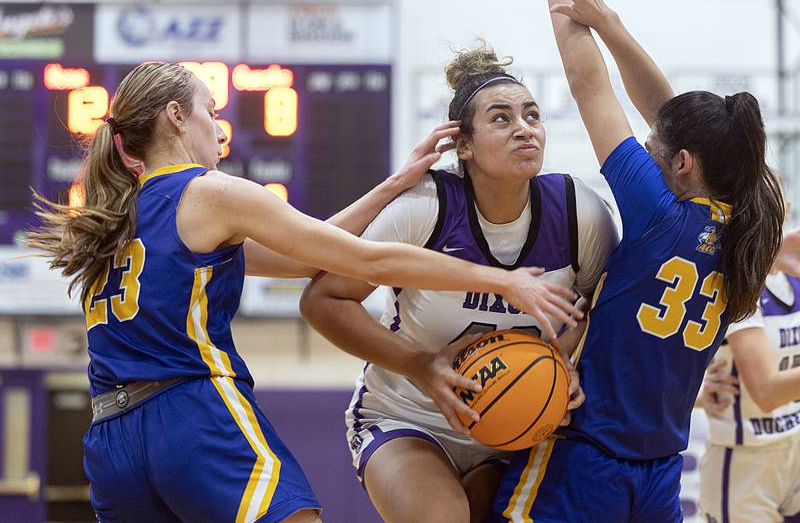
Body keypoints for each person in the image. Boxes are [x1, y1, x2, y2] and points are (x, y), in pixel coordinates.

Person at [27, 61, 583, 523]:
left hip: (111, 434)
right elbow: (365, 259)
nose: (217, 127)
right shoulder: (209, 192)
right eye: (209, 112)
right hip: (190, 412)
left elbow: (300, 259)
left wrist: (392, 186)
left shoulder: (114, 216)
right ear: (176, 118)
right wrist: (501, 279)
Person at [490, 0, 785, 523]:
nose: (644, 148)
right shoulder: (752, 222)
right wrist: (611, 21)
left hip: (586, 454)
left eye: (654, 147)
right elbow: (678, 121)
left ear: (681, 166)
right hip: (659, 470)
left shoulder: (660, 214)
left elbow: (587, 84)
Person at [299, 42, 619, 523]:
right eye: (501, 118)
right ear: (463, 146)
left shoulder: (579, 212)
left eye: (532, 115)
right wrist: (422, 364)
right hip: (407, 414)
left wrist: (565, 362)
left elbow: (599, 309)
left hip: (518, 419)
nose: (524, 128)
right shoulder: (424, 208)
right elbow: (323, 300)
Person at [698, 218, 800, 523]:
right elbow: (766, 392)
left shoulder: (793, 276)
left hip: (794, 448)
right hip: (746, 461)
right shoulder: (736, 281)